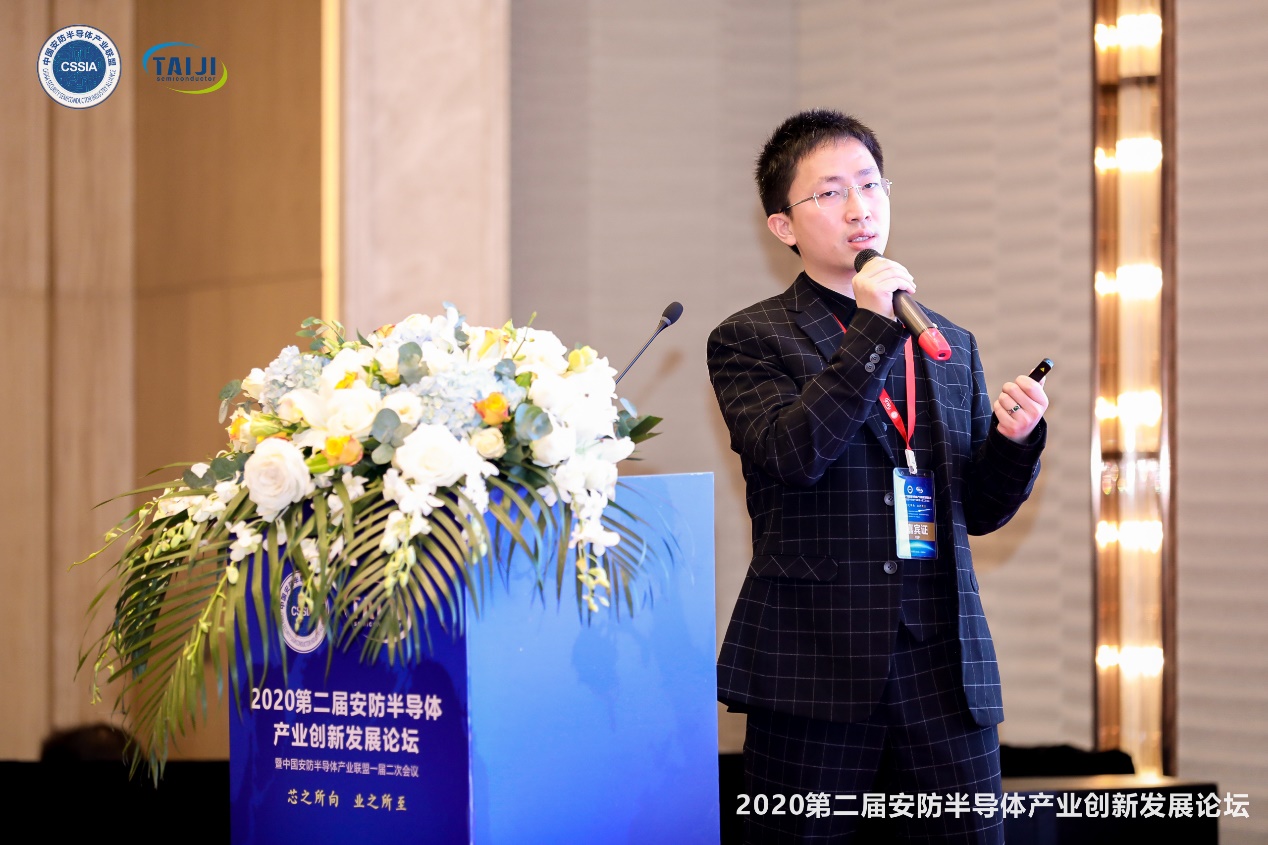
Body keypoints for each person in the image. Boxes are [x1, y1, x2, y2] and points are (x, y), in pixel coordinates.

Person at [708, 109, 1049, 843]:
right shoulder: (749, 338)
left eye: (870, 184)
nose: (860, 208)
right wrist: (871, 328)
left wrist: (1015, 441)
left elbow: (979, 509)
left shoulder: (949, 342)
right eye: (830, 192)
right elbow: (794, 455)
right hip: (814, 667)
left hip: (943, 668)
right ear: (783, 226)